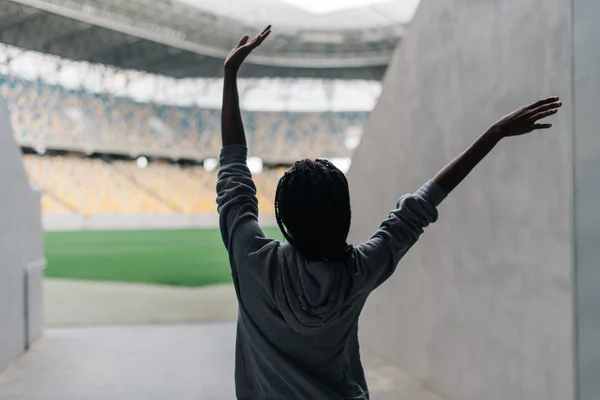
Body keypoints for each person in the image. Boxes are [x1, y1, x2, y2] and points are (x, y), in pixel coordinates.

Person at [216, 26, 562, 400]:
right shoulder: (358, 270)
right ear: (340, 213)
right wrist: (493, 133)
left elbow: (234, 171)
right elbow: (423, 203)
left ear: (286, 217)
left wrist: (231, 76)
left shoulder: (251, 258)